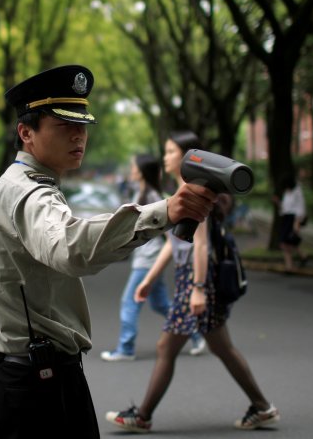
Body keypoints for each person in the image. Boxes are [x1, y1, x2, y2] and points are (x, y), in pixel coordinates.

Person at [0, 66, 217, 439]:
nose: (78, 136)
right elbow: (69, 247)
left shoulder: (21, 183)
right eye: (64, 126)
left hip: (20, 378)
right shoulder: (29, 192)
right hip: (35, 387)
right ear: (26, 132)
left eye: (82, 126)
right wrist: (164, 212)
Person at [106, 131, 279, 433]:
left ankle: (143, 416)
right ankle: (263, 408)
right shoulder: (182, 189)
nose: (165, 157)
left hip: (196, 280)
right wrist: (150, 277)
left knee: (166, 347)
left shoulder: (197, 188)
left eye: (171, 151)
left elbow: (200, 245)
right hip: (195, 279)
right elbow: (176, 244)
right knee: (222, 347)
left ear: (187, 156)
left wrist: (197, 289)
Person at [100, 154, 205, 362]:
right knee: (161, 304)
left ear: (142, 170)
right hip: (146, 259)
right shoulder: (142, 193)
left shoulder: (153, 197)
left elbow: (169, 236)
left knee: (129, 302)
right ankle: (194, 333)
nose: (131, 169)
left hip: (148, 261)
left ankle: (126, 348)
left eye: (133, 166)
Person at [274, 174, 308, 273]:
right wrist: (278, 203)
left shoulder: (297, 191)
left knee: (286, 242)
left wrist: (297, 222)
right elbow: (285, 208)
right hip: (286, 218)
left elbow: (300, 207)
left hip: (293, 219)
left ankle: (290, 266)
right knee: (289, 242)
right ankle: (301, 258)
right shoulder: (287, 192)